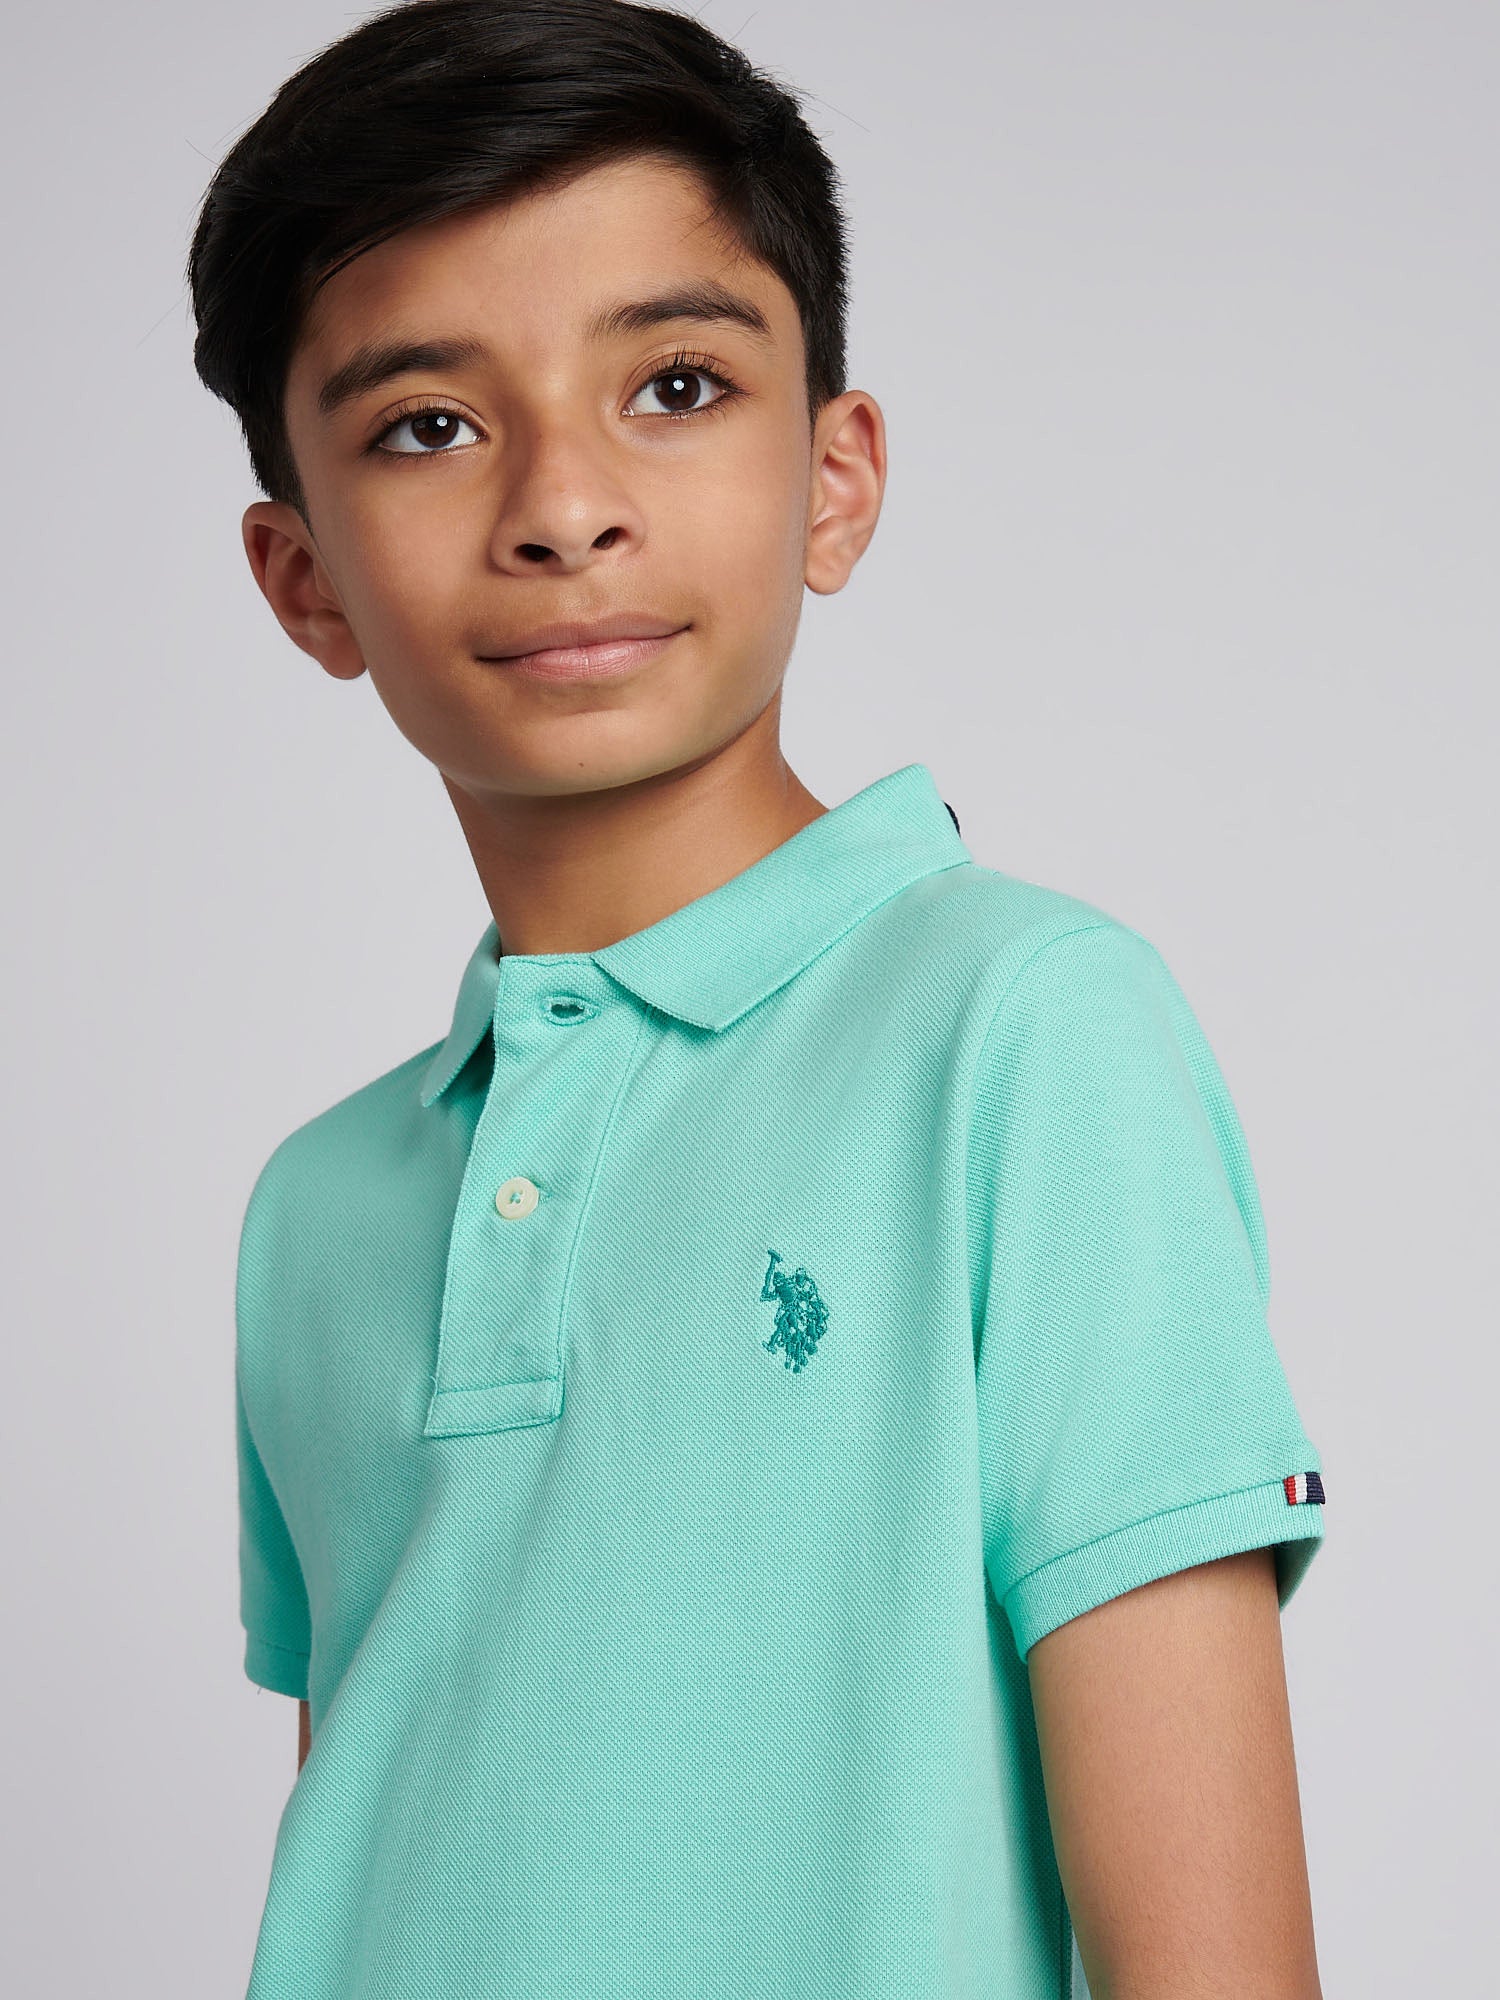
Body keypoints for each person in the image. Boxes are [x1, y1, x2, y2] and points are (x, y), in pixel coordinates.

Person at [191, 3, 1329, 1994]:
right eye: (428, 424)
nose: (563, 506)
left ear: (835, 477)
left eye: (677, 384)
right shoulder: (316, 1208)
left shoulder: (1025, 1031)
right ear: (305, 581)